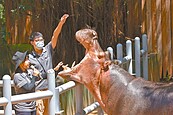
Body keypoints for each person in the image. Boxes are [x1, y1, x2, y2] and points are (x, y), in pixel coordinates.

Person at [28, 14, 69, 115]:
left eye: (41, 40)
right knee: (39, 113)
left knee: (50, 112)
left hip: (50, 87)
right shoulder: (29, 58)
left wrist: (61, 23)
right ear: (32, 42)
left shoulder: (48, 49)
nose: (40, 42)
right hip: (38, 90)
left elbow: (55, 36)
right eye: (37, 41)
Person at [12, 51, 41, 115]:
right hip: (23, 109)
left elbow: (39, 79)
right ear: (21, 63)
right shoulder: (17, 76)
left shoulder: (29, 72)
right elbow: (28, 87)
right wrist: (34, 76)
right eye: (26, 60)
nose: (29, 62)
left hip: (32, 107)